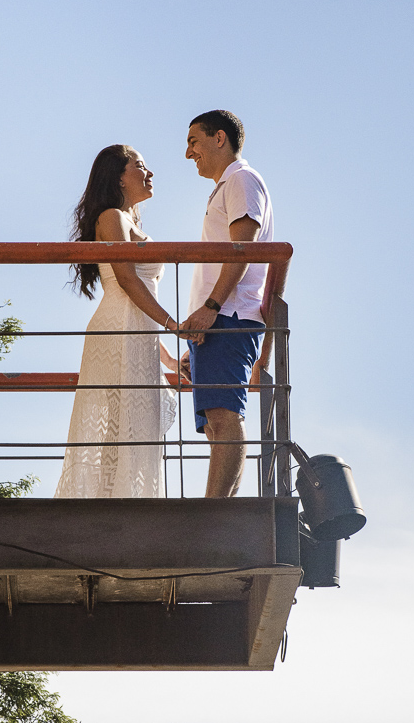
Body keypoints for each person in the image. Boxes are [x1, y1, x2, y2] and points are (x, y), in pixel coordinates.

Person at [55, 145, 179, 499]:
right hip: (117, 328)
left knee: (129, 422)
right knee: (116, 421)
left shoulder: (127, 219)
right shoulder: (112, 216)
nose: (149, 173)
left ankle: (124, 499)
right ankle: (107, 503)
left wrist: (168, 358)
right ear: (120, 177)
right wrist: (174, 324)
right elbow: (127, 280)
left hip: (137, 330)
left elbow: (138, 302)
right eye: (140, 166)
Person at [182, 110, 274, 499]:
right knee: (215, 423)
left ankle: (213, 514)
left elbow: (243, 247)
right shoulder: (227, 185)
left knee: (224, 415)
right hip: (217, 320)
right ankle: (218, 510)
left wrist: (212, 306)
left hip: (229, 316)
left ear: (219, 138)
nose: (189, 154)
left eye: (194, 142)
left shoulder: (241, 179)